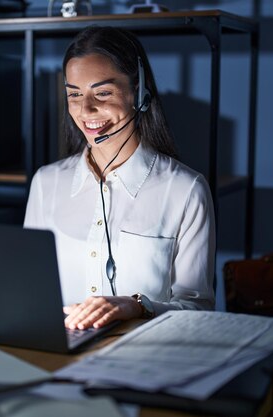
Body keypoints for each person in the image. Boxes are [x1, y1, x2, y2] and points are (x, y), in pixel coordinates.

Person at [24, 26, 215, 331]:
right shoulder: (45, 184)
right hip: (61, 356)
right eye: (74, 94)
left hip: (148, 358)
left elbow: (197, 309)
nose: (86, 110)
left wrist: (137, 306)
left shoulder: (185, 190)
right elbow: (29, 292)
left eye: (102, 93)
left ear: (137, 92)